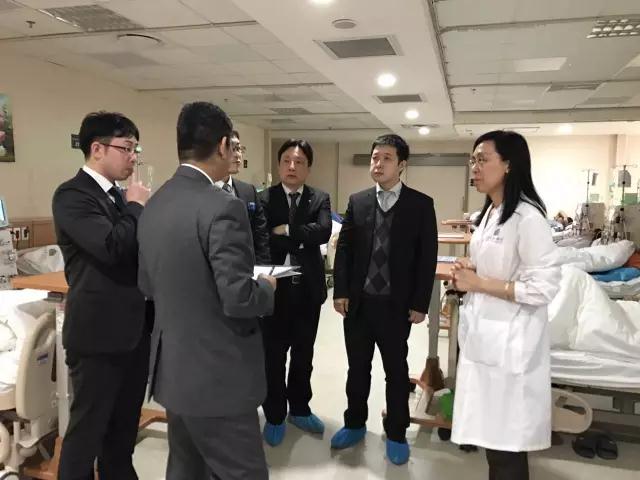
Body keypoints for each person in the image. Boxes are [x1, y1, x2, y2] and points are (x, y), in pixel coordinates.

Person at [137, 102, 276, 479]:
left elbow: (147, 283)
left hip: (173, 372)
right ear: (223, 145)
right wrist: (265, 287)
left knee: (186, 468)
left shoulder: (154, 203)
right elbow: (239, 298)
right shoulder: (223, 207)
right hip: (218, 377)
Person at [450, 130, 560, 480]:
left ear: (509, 165)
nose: (475, 167)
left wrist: (479, 283)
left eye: (483, 159)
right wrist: (472, 267)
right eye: (473, 160)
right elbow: (499, 264)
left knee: (507, 448)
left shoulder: (528, 218)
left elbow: (543, 287)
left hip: (511, 347)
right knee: (493, 443)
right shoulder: (491, 213)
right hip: (486, 339)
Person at [52, 111, 152, 480]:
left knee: (123, 435)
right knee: (86, 437)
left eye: (136, 149)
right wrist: (136, 206)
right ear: (97, 149)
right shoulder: (73, 195)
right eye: (126, 148)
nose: (133, 157)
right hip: (97, 337)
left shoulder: (117, 198)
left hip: (134, 332)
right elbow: (112, 247)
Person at [331, 134, 438, 465]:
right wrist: (341, 291)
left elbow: (427, 257)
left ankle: (396, 432)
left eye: (387, 158)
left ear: (401, 165)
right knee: (357, 369)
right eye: (375, 157)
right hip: (359, 304)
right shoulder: (359, 201)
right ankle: (354, 423)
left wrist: (420, 303)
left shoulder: (420, 205)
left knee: (396, 371)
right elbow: (345, 250)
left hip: (396, 306)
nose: (378, 163)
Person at [258, 139, 331, 446]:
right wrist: (303, 237)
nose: (292, 166)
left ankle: (299, 408)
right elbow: (263, 238)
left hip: (307, 291)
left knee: (304, 354)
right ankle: (275, 414)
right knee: (273, 357)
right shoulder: (264, 199)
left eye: (299, 162)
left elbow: (323, 231)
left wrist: (286, 230)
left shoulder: (319, 198)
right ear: (279, 165)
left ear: (308, 168)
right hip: (274, 291)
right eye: (287, 160)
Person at [214, 130, 270, 264]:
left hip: (246, 269)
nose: (238, 155)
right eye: (232, 149)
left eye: (239, 149)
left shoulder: (249, 192)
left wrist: (261, 269)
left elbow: (261, 237)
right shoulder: (202, 190)